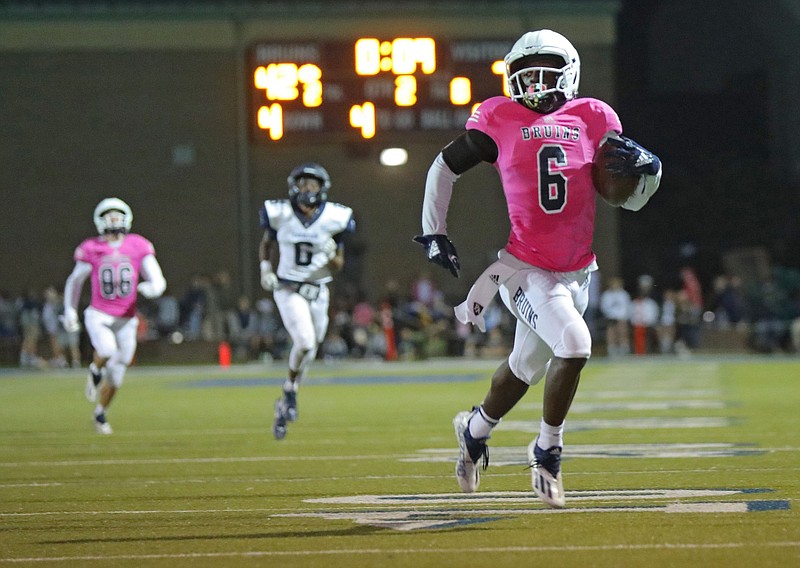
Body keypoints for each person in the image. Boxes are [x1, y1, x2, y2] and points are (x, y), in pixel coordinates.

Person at [414, 29, 662, 508]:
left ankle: (474, 428)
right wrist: (434, 231)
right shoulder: (499, 118)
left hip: (578, 271)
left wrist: (649, 170)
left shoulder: (593, 116)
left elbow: (626, 194)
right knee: (575, 343)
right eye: (525, 76)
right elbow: (443, 166)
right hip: (525, 269)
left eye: (545, 73)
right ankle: (547, 450)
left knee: (525, 366)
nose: (534, 84)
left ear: (568, 73)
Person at [259, 162, 355, 440]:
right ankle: (289, 390)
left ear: (322, 188)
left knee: (310, 350)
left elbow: (338, 264)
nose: (307, 188)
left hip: (319, 291)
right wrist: (265, 268)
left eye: (312, 183)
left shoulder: (334, 217)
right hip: (288, 288)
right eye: (302, 183)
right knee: (304, 342)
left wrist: (330, 254)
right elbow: (267, 241)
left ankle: (287, 398)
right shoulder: (281, 213)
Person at [63, 198, 166, 434]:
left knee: (118, 374)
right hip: (99, 314)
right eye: (109, 216)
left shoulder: (138, 245)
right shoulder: (92, 248)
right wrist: (69, 310)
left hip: (127, 318)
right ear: (100, 220)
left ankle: (100, 413)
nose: (114, 220)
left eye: (117, 215)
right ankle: (95, 369)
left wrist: (154, 288)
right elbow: (75, 281)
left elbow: (157, 278)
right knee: (107, 350)